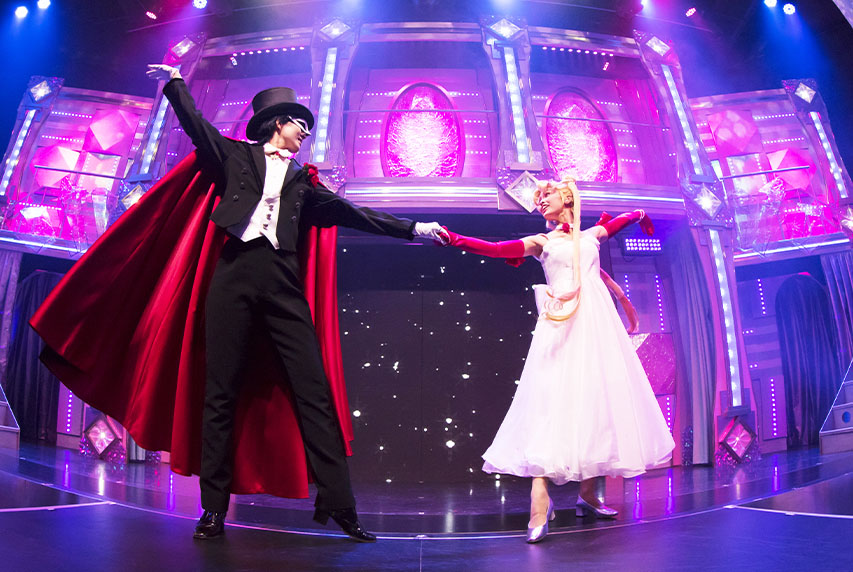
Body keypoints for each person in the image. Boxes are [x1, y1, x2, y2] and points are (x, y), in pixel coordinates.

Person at [33, 63, 445, 544]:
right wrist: (175, 83)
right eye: (300, 125)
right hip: (232, 279)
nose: (305, 133)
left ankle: (339, 504)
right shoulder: (232, 157)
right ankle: (213, 510)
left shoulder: (305, 183)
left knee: (315, 394)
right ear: (277, 123)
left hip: (283, 286)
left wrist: (414, 228)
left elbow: (355, 214)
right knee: (220, 393)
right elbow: (197, 126)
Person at [439, 176, 675, 543]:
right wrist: (455, 239)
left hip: (598, 331)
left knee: (597, 403)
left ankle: (588, 495)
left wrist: (638, 214)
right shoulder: (543, 242)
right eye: (539, 198)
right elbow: (497, 249)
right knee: (550, 405)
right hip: (561, 328)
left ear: (567, 198)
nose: (541, 201)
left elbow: (616, 223)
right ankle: (540, 501)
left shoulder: (590, 236)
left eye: (547, 195)